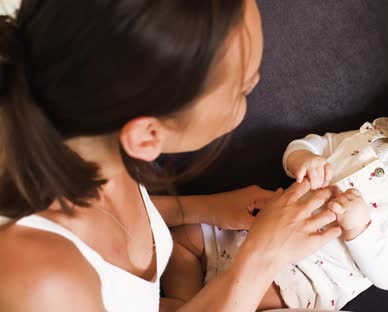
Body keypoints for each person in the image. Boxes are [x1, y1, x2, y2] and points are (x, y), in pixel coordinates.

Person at [0, 1, 342, 311]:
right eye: (242, 90)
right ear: (147, 136)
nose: (254, 87)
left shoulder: (89, 134)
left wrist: (206, 208)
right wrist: (260, 259)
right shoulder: (39, 283)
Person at [162, 89, 388, 310]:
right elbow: (310, 145)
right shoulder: (367, 139)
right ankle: (185, 302)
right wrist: (302, 161)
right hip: (254, 231)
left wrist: (362, 230)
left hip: (301, 285)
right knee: (181, 240)